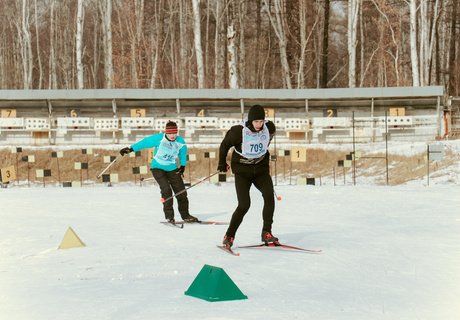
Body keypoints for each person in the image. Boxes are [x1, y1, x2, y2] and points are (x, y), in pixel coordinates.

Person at [217, 105, 278, 249]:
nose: (259, 125)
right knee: (244, 205)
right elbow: (224, 146)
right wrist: (221, 163)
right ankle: (229, 236)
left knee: (269, 195)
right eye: (256, 122)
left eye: (261, 121)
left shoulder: (270, 128)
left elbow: (266, 143)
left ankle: (266, 232)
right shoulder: (238, 132)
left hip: (260, 171)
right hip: (242, 172)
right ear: (250, 121)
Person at [119, 121, 199, 224]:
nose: (172, 135)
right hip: (157, 168)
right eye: (170, 133)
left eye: (174, 133)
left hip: (172, 168)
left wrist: (182, 166)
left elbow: (182, 154)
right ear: (166, 132)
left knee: (181, 192)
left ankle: (186, 215)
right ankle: (169, 216)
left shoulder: (180, 142)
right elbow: (145, 142)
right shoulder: (159, 138)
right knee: (166, 190)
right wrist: (131, 149)